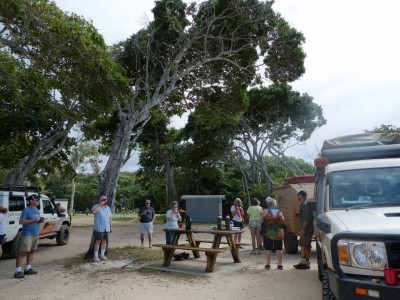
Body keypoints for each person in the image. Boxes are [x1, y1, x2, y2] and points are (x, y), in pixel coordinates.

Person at [14, 194, 42, 279]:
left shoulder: (37, 210)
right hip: (27, 234)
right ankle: (18, 271)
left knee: (32, 251)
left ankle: (28, 269)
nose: (38, 201)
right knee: (23, 252)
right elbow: (21, 222)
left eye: (38, 200)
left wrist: (40, 220)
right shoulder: (26, 210)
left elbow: (37, 220)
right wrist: (34, 220)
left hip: (35, 233)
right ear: (31, 201)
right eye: (36, 200)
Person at [260, 197, 285, 270]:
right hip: (277, 233)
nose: (277, 204)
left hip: (267, 233)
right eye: (276, 203)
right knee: (279, 248)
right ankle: (279, 265)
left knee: (268, 248)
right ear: (273, 204)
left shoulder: (264, 211)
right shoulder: (278, 211)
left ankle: (268, 264)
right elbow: (283, 220)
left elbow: (260, 221)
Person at [293, 189, 314, 269]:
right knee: (302, 244)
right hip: (305, 228)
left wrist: (303, 229)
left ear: (301, 196)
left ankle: (307, 263)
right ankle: (303, 262)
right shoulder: (303, 204)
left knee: (306, 245)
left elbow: (306, 218)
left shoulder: (304, 205)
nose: (297, 197)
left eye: (298, 195)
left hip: (307, 229)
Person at [91, 195, 112, 262]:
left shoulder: (108, 208)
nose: (104, 201)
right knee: (98, 241)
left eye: (105, 200)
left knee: (104, 241)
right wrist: (100, 205)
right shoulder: (96, 206)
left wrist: (110, 226)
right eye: (103, 199)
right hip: (99, 227)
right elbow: (94, 212)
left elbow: (110, 218)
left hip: (106, 227)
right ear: (99, 200)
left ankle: (102, 255)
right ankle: (95, 256)